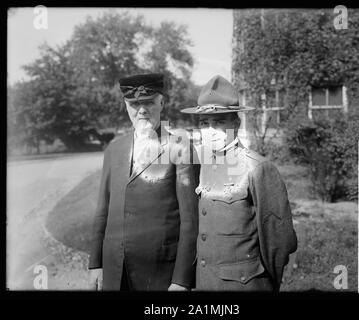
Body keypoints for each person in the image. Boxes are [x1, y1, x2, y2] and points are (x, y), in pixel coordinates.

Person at [181, 75, 297, 291]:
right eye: (204, 123)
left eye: (219, 122)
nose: (211, 131)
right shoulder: (202, 164)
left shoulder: (258, 168)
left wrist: (267, 284)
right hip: (205, 281)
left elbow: (279, 241)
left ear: (236, 122)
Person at [88, 73, 199, 291]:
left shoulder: (180, 147)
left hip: (159, 272)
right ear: (125, 105)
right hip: (114, 270)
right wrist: (95, 263)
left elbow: (190, 221)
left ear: (162, 103)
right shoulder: (113, 149)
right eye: (134, 104)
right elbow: (103, 210)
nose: (141, 110)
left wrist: (181, 279)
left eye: (148, 102)